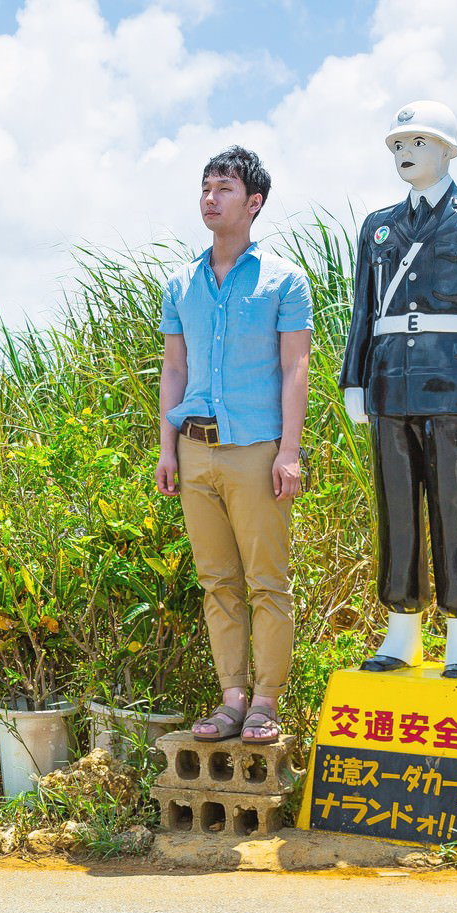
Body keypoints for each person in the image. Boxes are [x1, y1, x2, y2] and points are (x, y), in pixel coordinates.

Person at [340, 100, 457, 679]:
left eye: (415, 140)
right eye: (396, 144)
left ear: (446, 148)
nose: (404, 152)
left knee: (454, 506)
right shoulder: (378, 225)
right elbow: (363, 309)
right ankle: (401, 630)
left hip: (456, 385)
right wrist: (355, 377)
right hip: (391, 385)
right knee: (395, 507)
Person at [155, 147, 313, 745]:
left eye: (223, 188)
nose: (209, 198)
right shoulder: (181, 283)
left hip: (255, 449)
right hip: (194, 451)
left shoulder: (283, 280)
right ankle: (231, 700)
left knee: (267, 581)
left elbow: (295, 367)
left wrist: (288, 451)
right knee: (217, 582)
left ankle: (267, 702)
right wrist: (167, 447)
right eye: (204, 187)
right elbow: (174, 368)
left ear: (254, 203)